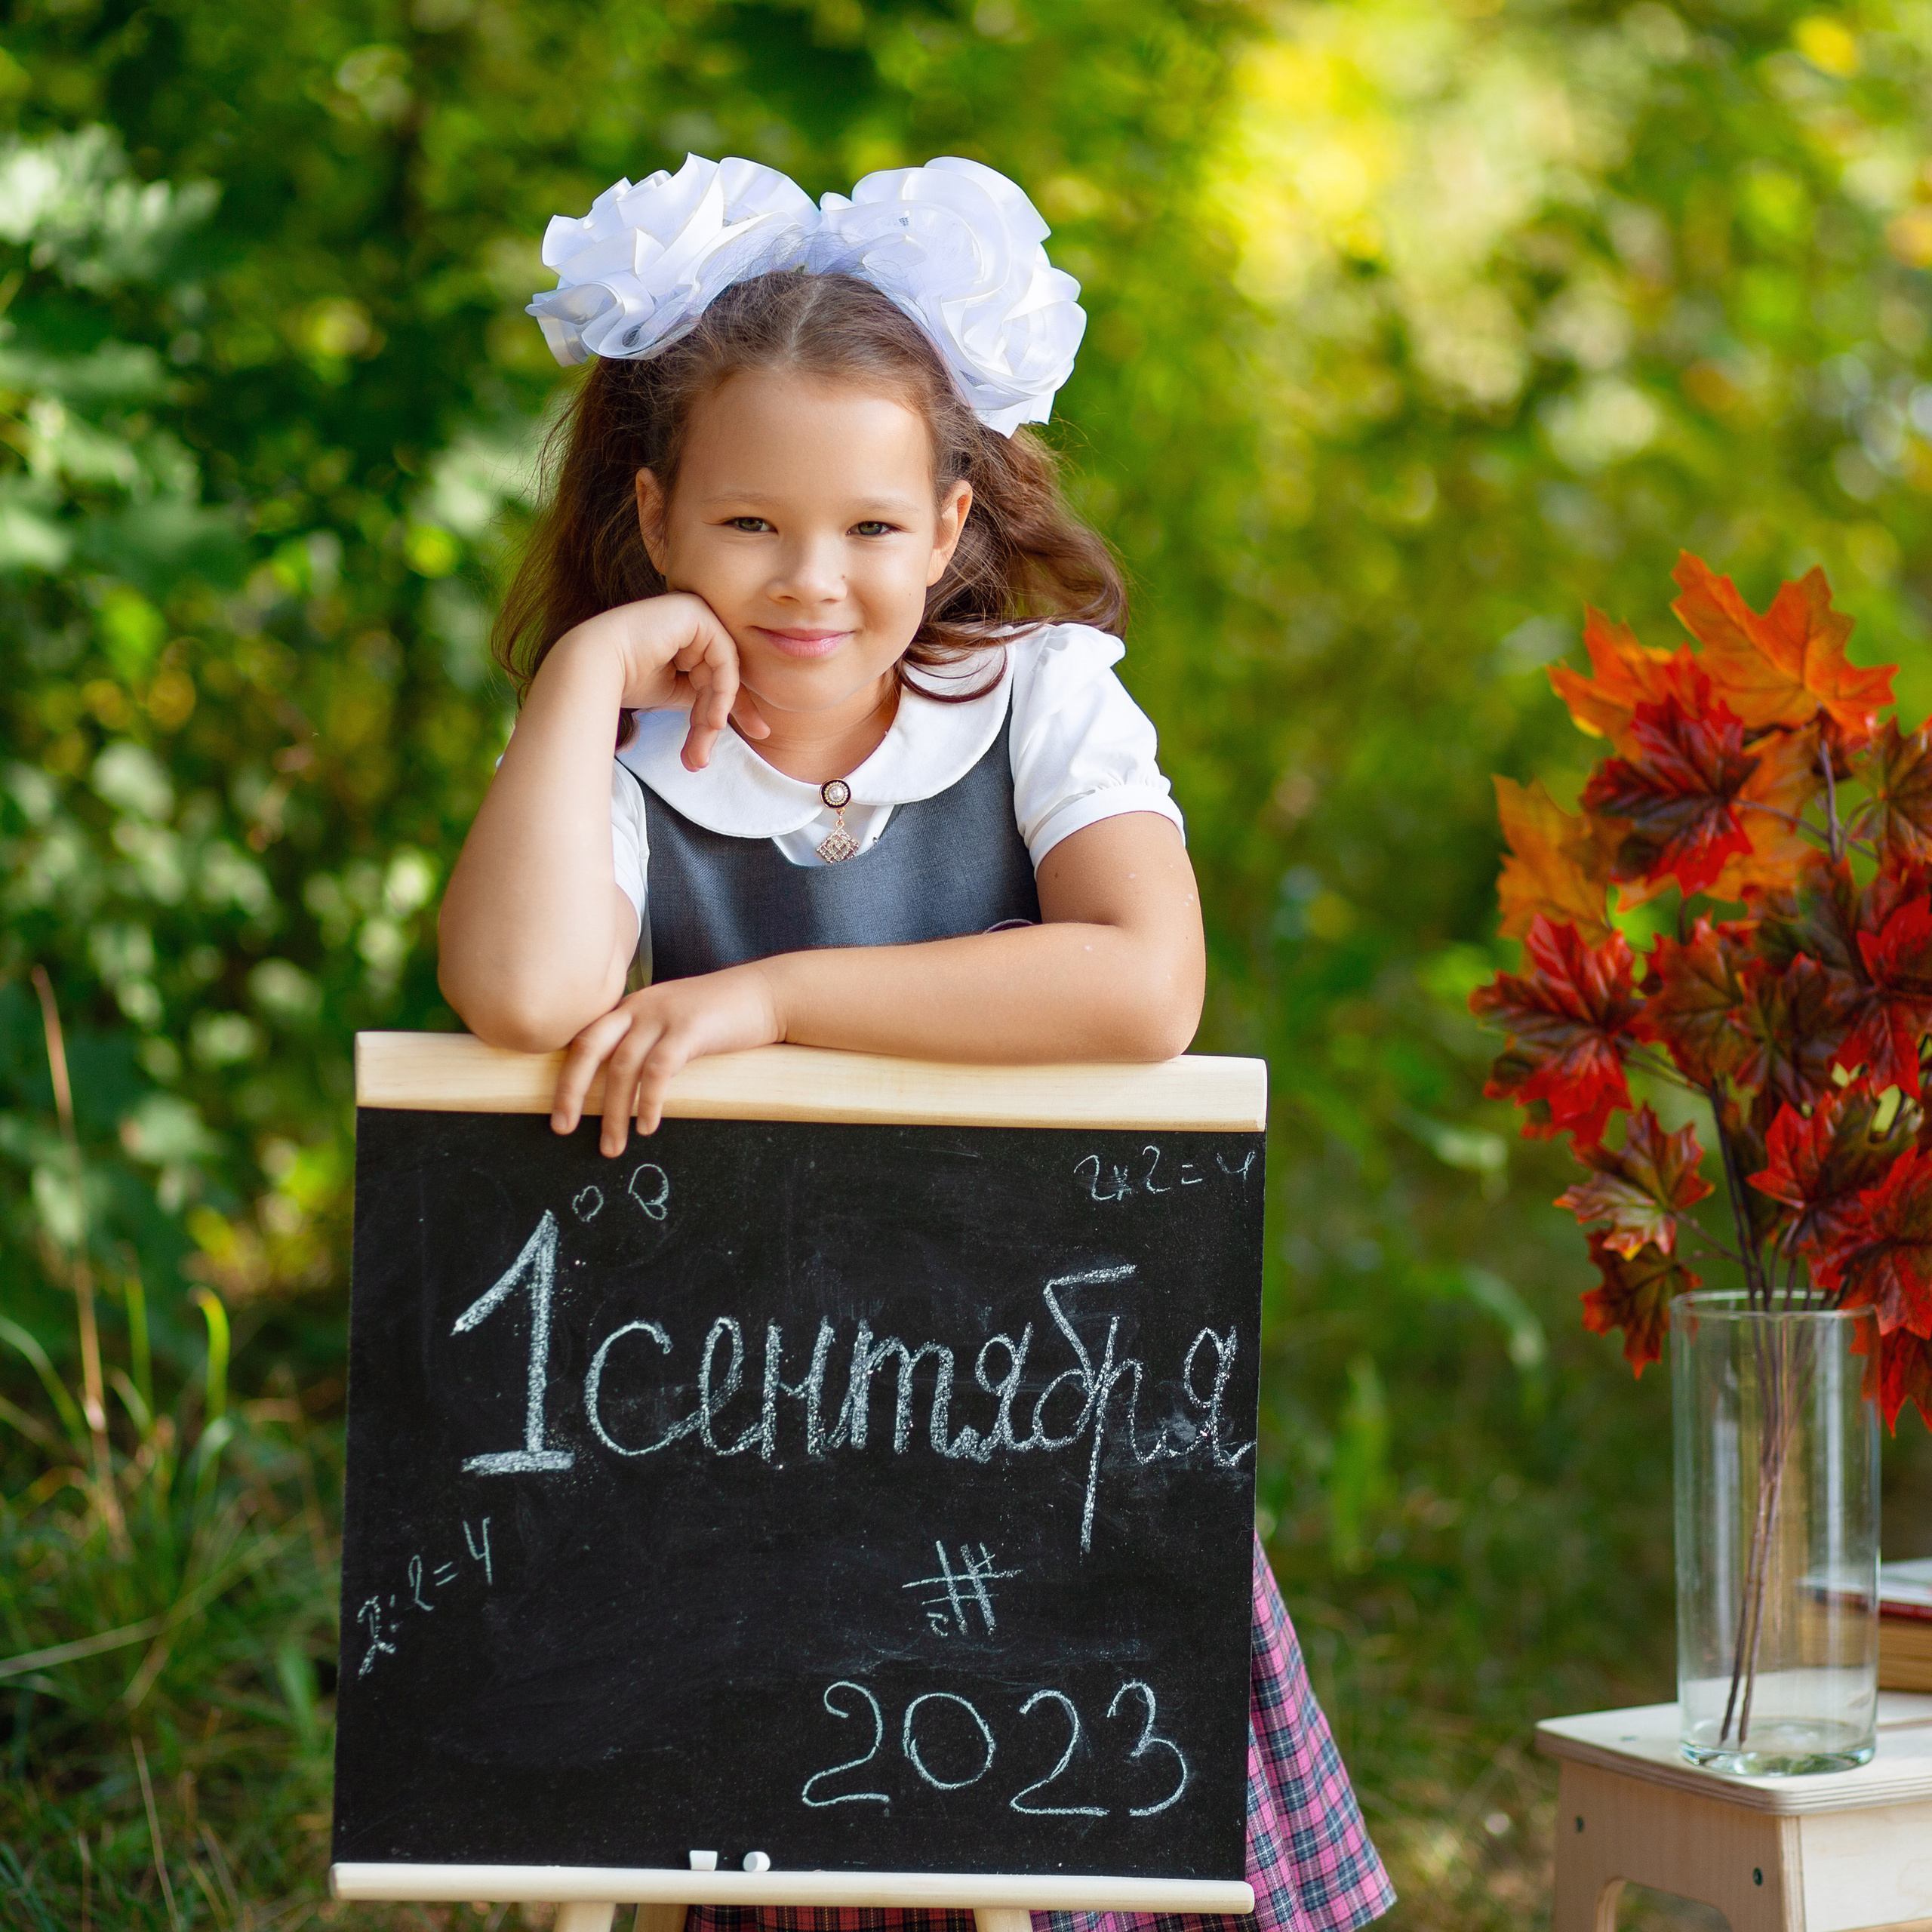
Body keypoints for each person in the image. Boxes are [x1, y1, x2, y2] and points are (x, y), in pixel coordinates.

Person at [437, 152, 1393, 1932]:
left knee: (1082, 1835)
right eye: (747, 526)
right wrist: (576, 685)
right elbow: (518, 990)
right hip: (751, 1433)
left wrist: (773, 1000)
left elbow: (1138, 983)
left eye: (872, 527)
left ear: (950, 526)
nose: (812, 578)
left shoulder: (1034, 697)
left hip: (1043, 1410)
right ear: (653, 518)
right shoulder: (631, 769)